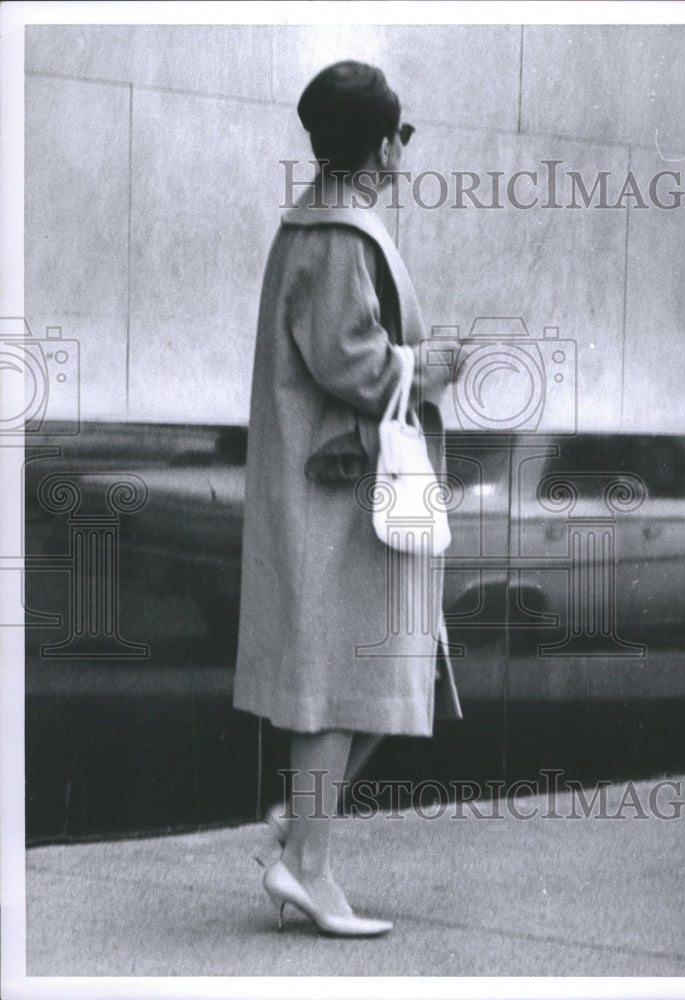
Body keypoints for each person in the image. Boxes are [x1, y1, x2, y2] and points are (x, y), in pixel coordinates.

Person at [233, 60, 461, 937]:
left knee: (381, 670)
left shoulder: (325, 228)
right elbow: (349, 359)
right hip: (336, 500)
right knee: (340, 680)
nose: (403, 148)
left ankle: (304, 833)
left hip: (338, 493)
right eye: (400, 134)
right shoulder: (336, 236)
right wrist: (426, 367)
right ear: (378, 144)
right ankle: (308, 866)